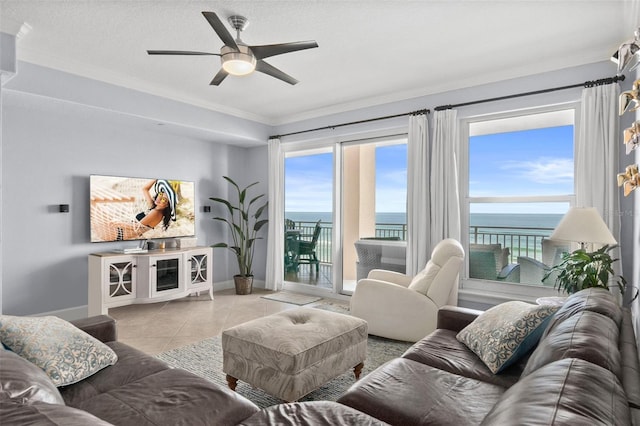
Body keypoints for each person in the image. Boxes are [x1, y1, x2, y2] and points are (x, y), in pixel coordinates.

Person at [97, 179, 177, 241]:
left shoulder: (156, 213)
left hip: (118, 233)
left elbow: (136, 227)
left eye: (164, 200)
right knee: (99, 209)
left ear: (167, 205)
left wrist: (119, 223)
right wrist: (157, 178)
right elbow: (145, 189)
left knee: (96, 211)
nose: (159, 199)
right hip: (119, 230)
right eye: (160, 194)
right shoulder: (155, 207)